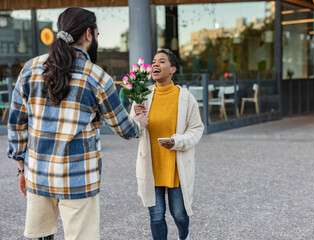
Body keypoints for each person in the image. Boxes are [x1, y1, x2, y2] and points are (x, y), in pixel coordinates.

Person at [7, 7, 147, 240]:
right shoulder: (97, 77)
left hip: (38, 174)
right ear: (89, 34)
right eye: (97, 35)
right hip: (79, 178)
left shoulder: (30, 69)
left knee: (41, 236)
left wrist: (21, 168)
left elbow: (16, 124)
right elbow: (124, 129)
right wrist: (139, 122)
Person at [130, 49, 204, 240]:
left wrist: (178, 142)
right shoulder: (142, 97)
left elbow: (196, 128)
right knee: (156, 215)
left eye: (161, 61)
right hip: (152, 165)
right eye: (153, 61)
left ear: (172, 69)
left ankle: (183, 236)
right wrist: (136, 116)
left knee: (179, 214)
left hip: (176, 166)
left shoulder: (186, 98)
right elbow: (132, 129)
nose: (155, 65)